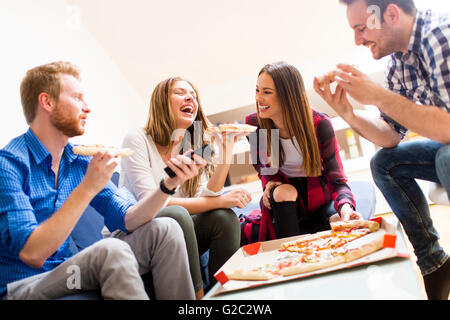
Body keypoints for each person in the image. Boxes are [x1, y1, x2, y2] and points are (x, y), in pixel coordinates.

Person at [0, 61, 204, 300]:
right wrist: (87, 187)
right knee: (110, 250)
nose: (87, 108)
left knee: (166, 228)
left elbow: (129, 218)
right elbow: (33, 253)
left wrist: (167, 186)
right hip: (24, 285)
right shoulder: (9, 165)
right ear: (47, 102)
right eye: (77, 98)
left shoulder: (77, 161)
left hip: (68, 271)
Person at [314, 0, 450, 300]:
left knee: (446, 157)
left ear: (391, 13)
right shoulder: (398, 64)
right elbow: (390, 137)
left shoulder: (440, 34)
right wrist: (348, 112)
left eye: (361, 28)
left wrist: (378, 96)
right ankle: (433, 262)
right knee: (384, 163)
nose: (357, 39)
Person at [120, 76, 249, 298]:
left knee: (224, 217)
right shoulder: (137, 139)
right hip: (137, 237)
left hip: (177, 234)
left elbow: (205, 199)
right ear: (161, 102)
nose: (191, 97)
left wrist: (225, 152)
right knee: (176, 214)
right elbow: (154, 205)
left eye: (194, 95)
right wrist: (221, 199)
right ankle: (197, 299)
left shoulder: (194, 146)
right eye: (180, 92)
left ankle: (225, 295)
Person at [245, 61, 362, 241]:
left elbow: (336, 178)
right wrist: (269, 182)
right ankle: (290, 254)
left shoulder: (319, 124)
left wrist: (346, 206)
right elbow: (263, 168)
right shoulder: (255, 125)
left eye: (266, 92)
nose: (258, 99)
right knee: (284, 191)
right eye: (257, 90)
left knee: (341, 220)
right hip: (286, 201)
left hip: (320, 198)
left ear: (288, 95)